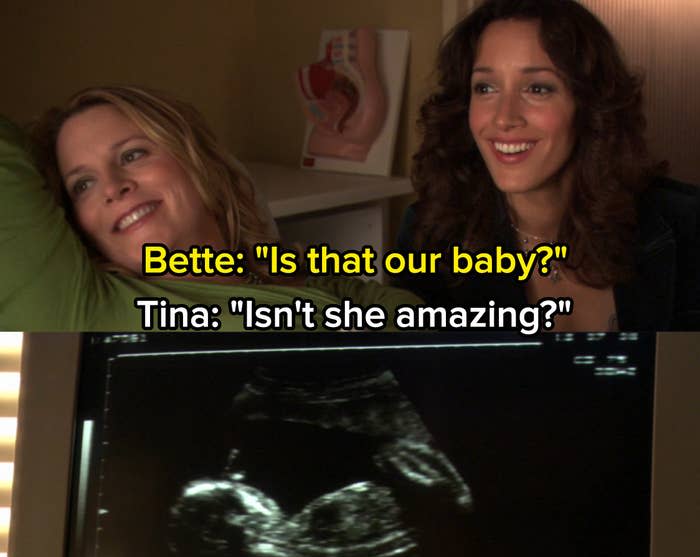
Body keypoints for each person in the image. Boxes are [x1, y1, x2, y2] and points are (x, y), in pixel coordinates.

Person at [0, 85, 419, 330]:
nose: (113, 187)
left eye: (131, 155)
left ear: (197, 162)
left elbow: (395, 311)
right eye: (83, 184)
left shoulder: (286, 271)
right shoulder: (82, 307)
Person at [399, 0, 700, 331]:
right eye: (485, 88)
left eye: (537, 88)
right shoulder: (431, 233)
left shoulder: (686, 224)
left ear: (589, 105)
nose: (504, 117)